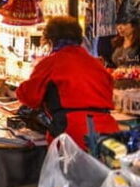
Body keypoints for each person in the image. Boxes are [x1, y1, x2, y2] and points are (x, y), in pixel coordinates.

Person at [16, 16, 119, 150]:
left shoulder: (51, 62)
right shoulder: (96, 64)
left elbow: (29, 96)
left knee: (68, 170)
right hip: (109, 132)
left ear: (50, 40)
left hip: (72, 133)